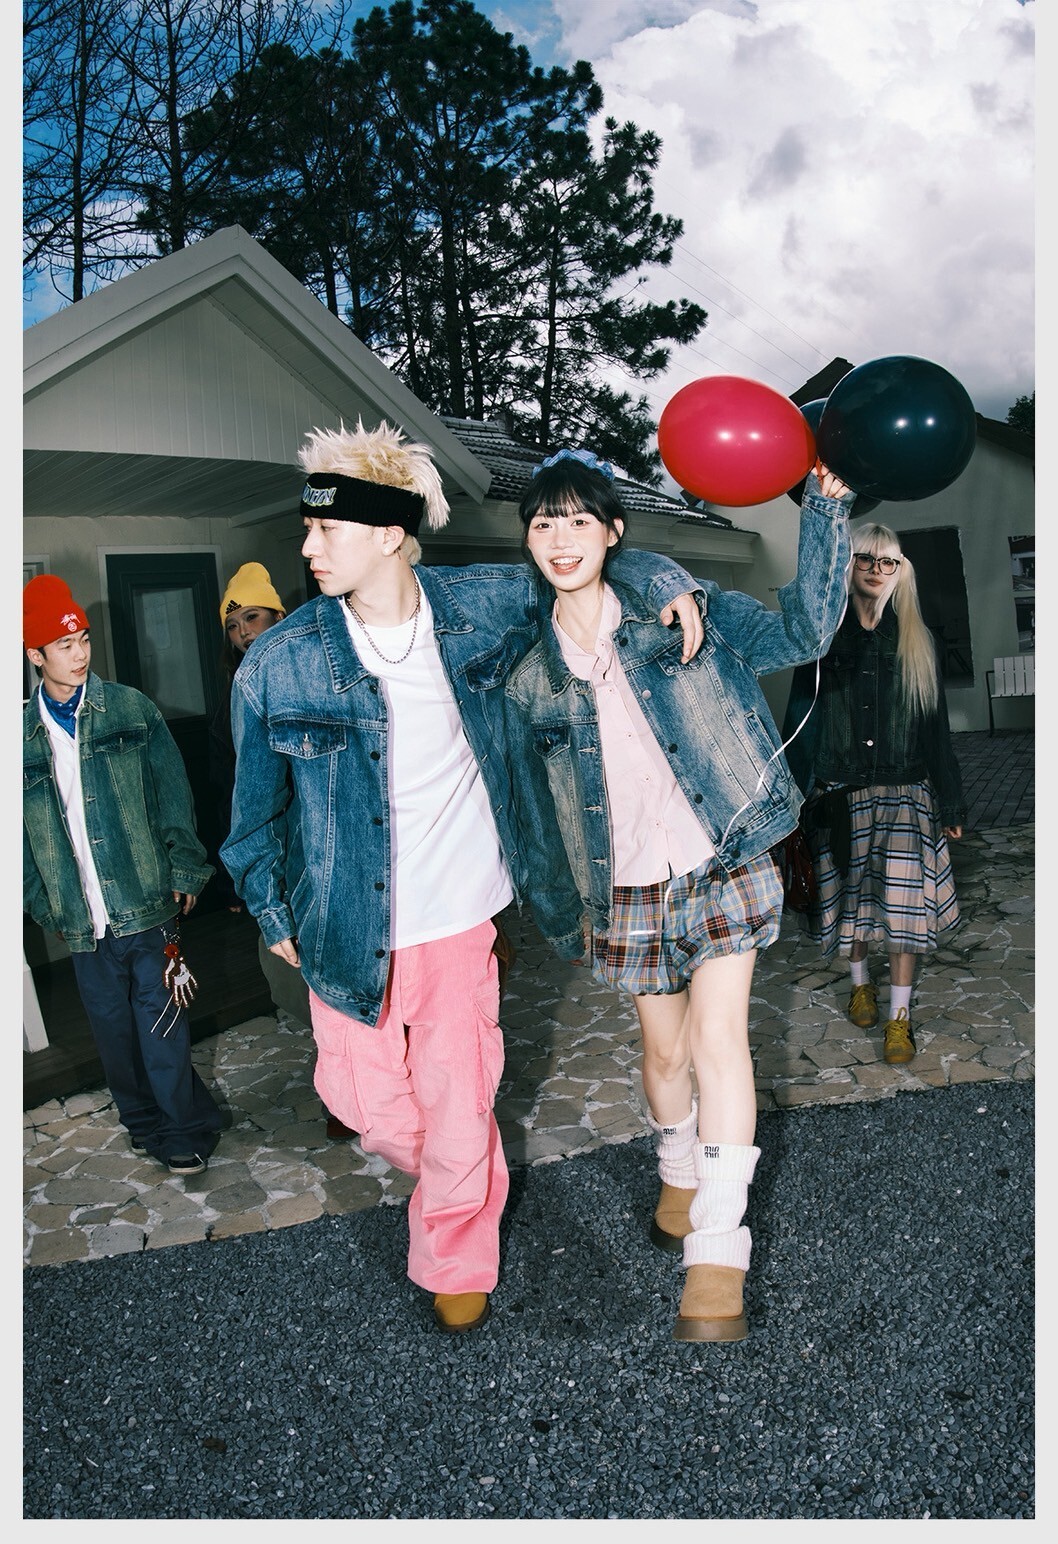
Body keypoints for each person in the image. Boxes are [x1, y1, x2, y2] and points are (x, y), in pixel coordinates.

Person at [220, 419, 705, 1335]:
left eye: (326, 529)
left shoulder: (483, 605)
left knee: (455, 1097)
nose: (308, 547)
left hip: (457, 919)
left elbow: (582, 563)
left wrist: (665, 578)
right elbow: (251, 819)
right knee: (364, 1105)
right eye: (307, 529)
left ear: (390, 533)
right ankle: (462, 1169)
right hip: (341, 925)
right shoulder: (280, 663)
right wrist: (271, 908)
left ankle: (455, 1249)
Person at [503, 448, 855, 1343]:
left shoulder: (684, 610)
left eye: (580, 519)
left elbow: (806, 632)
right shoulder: (528, 672)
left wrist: (825, 514)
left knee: (717, 1039)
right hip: (623, 886)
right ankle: (676, 1162)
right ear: (528, 540)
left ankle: (717, 1248)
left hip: (721, 854)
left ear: (613, 532)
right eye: (544, 522)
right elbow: (532, 804)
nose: (561, 538)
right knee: (664, 1056)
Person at [23, 574, 222, 1176]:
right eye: (65, 645)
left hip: (146, 901)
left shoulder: (132, 710)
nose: (81, 653)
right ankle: (143, 1124)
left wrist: (184, 865)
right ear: (35, 655)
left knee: (162, 1025)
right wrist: (45, 905)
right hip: (81, 918)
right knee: (113, 1035)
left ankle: (184, 1130)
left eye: (83, 639)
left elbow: (173, 795)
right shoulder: (18, 737)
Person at [782, 520, 966, 1067]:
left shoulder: (916, 640)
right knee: (853, 906)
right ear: (849, 565)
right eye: (865, 558)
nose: (876, 570)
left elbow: (936, 730)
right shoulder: (822, 640)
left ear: (900, 571)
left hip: (907, 793)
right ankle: (860, 984)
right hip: (840, 794)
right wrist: (791, 802)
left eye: (888, 562)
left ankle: (899, 1018)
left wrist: (951, 799)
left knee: (905, 913)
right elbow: (800, 721)